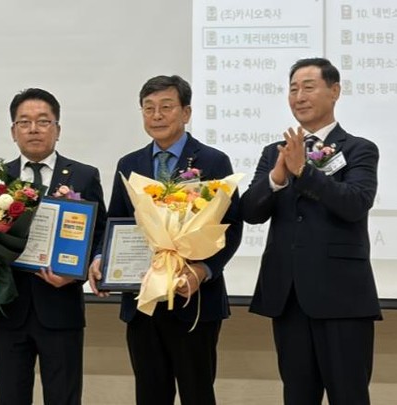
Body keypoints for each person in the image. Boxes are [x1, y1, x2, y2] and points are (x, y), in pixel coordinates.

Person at [88, 75, 242, 405]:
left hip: (194, 300)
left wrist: (202, 271)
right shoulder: (130, 164)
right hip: (142, 300)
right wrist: (101, 259)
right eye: (149, 108)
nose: (156, 115)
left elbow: (231, 228)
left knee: (197, 394)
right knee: (149, 394)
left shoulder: (213, 161)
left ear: (186, 112)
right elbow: (116, 221)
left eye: (166, 107)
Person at [240, 57, 380, 404]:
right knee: (297, 396)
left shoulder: (359, 149)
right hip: (288, 296)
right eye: (293, 89)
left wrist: (304, 172)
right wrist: (277, 178)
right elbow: (250, 213)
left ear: (335, 91)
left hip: (342, 297)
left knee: (349, 395)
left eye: (308, 87)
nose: (299, 96)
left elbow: (355, 203)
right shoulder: (275, 153)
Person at [0, 88, 107, 405]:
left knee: (64, 398)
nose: (34, 129)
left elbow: (99, 234)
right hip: (8, 309)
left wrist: (76, 274)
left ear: (57, 128)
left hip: (60, 307)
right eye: (24, 122)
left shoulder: (83, 176)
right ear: (13, 131)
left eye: (43, 121)